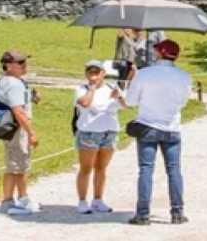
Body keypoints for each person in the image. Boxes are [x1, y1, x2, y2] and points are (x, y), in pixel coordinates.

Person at [124, 39, 191, 226]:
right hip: (171, 126)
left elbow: (131, 102)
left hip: (148, 125)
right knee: (174, 170)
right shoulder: (184, 76)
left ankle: (143, 213)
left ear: (160, 53)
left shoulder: (145, 74)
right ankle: (177, 212)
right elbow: (184, 102)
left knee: (146, 169)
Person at [73, 60, 125, 214]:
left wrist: (119, 97)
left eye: (97, 72)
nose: (93, 75)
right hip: (89, 131)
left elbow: (126, 105)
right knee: (86, 167)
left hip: (109, 131)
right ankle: (82, 201)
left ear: (103, 73)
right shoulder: (81, 89)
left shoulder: (111, 88)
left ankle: (98, 199)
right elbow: (84, 103)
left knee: (101, 168)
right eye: (90, 72)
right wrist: (92, 88)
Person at [0, 50, 39, 216]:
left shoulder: (11, 81)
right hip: (17, 128)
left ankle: (22, 199)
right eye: (20, 63)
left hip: (13, 128)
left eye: (24, 62)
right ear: (8, 66)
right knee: (16, 165)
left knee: (19, 164)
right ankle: (8, 202)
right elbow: (18, 111)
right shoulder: (13, 84)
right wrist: (31, 133)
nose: (24, 66)